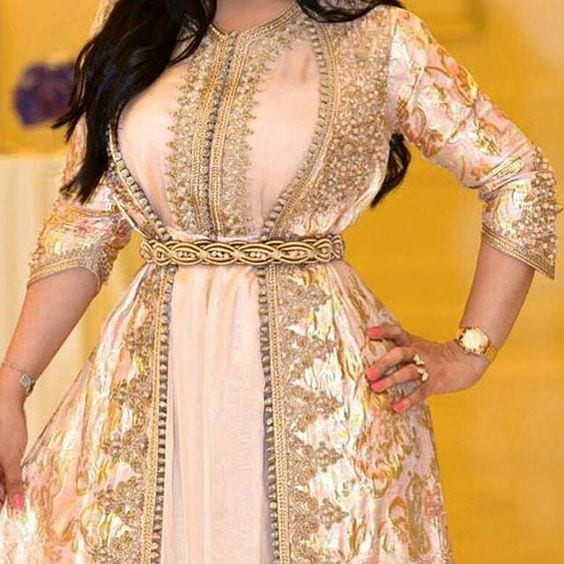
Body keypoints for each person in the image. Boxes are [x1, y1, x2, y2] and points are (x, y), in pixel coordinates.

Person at [0, 0, 561, 561]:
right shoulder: (131, 23)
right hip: (145, 390)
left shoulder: (379, 37)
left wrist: (468, 352)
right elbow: (84, 226)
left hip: (321, 401)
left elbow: (520, 178)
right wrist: (12, 384)